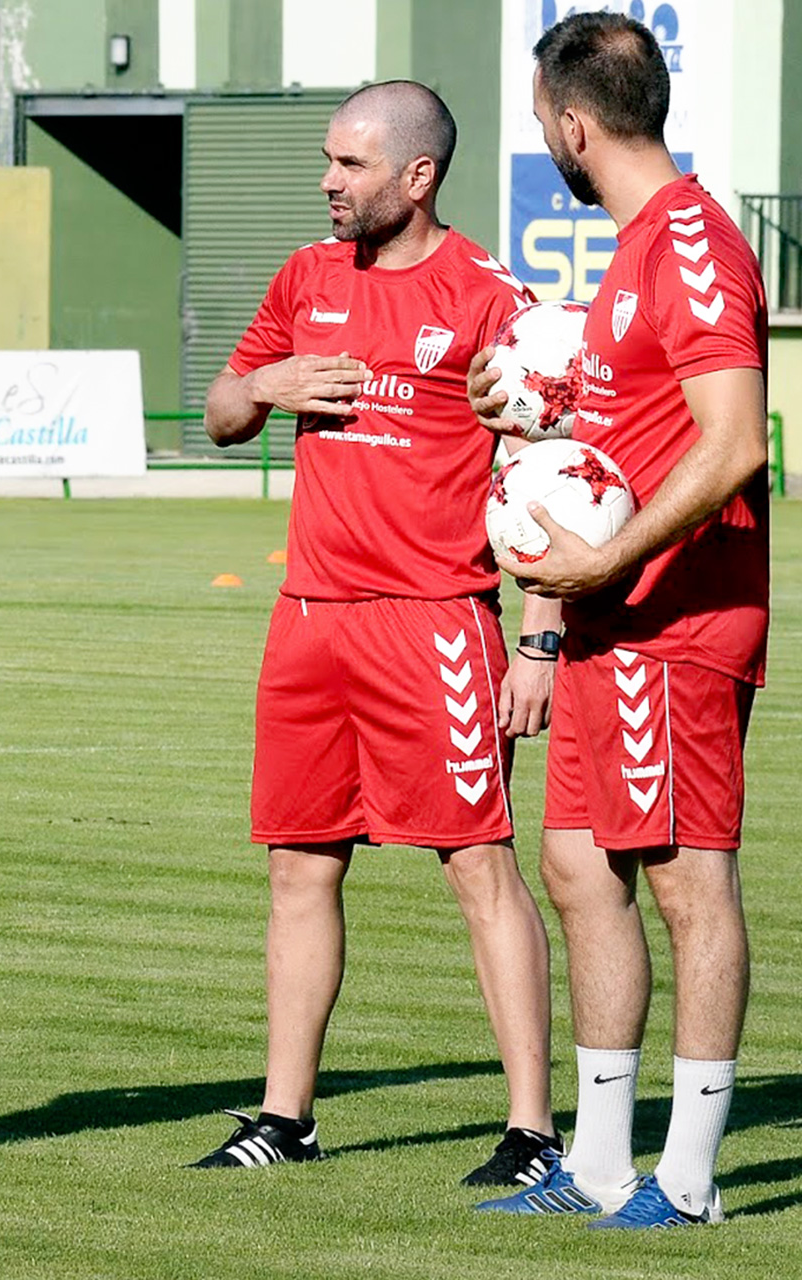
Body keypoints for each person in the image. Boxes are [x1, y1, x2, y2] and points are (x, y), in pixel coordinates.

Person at [194, 80, 563, 1185]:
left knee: (477, 866)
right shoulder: (307, 276)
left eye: (349, 165)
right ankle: (286, 1115)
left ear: (419, 174)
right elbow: (218, 412)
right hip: (309, 620)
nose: (328, 182)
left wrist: (539, 633)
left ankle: (534, 1129)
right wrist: (268, 381)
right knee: (300, 867)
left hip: (435, 622)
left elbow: (554, 468)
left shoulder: (493, 297)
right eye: (327, 160)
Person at [471, 11, 768, 1229]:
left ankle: (686, 1180)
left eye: (544, 119)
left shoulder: (692, 241)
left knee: (691, 885)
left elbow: (733, 442)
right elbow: (617, 442)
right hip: (609, 617)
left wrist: (606, 560)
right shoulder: (634, 251)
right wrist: (528, 416)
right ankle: (596, 1164)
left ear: (574, 124)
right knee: (579, 865)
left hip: (677, 616)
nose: (546, 136)